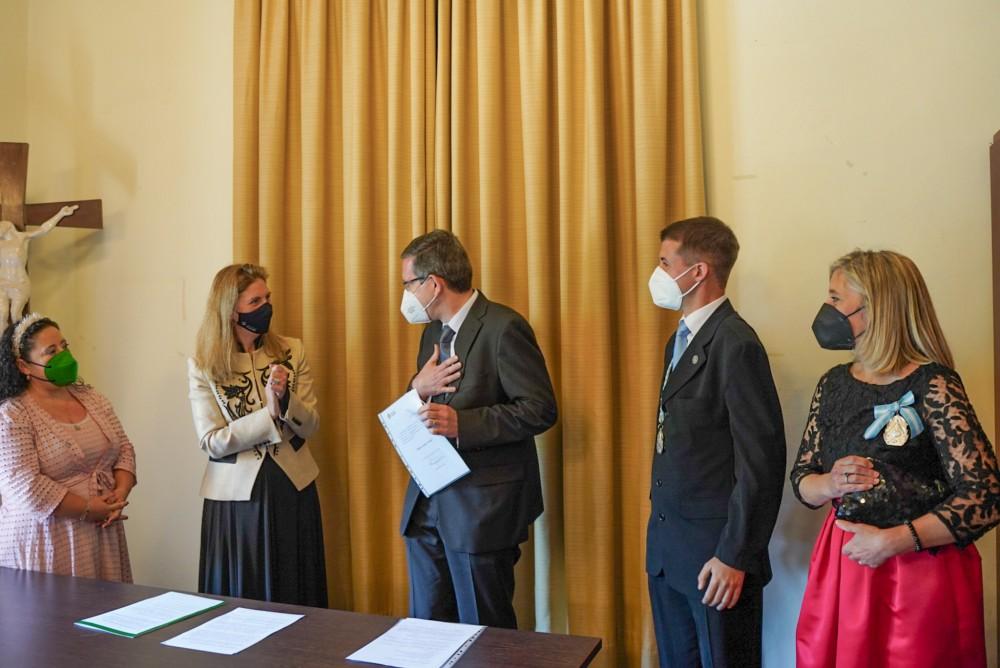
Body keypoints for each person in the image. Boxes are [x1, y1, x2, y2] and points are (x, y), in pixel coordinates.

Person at [791, 250, 1000, 667]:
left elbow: (985, 496)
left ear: (875, 308)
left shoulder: (933, 384)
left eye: (836, 298)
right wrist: (829, 483)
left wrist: (895, 541)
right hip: (844, 566)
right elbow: (803, 479)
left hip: (916, 570)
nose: (826, 308)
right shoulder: (832, 383)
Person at [397, 230, 557, 629]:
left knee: (484, 633)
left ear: (434, 284)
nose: (406, 295)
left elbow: (539, 409)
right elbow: (423, 405)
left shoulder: (504, 327)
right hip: (427, 505)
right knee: (429, 627)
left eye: (408, 284)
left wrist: (463, 425)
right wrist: (417, 388)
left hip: (482, 510)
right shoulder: (431, 333)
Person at [645, 216, 785, 668]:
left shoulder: (736, 344)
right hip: (669, 553)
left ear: (698, 271)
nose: (658, 273)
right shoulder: (680, 340)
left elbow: (760, 464)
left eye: (665, 263)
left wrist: (734, 555)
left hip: (715, 559)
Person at [187, 263, 326, 607]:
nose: (266, 307)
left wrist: (286, 400)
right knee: (245, 600)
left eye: (267, 298)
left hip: (292, 487)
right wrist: (268, 416)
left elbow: (311, 425)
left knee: (295, 589)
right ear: (230, 311)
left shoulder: (291, 351)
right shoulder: (203, 364)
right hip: (235, 500)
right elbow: (211, 441)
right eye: (255, 302)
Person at [0, 312, 134, 581]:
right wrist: (87, 508)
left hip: (102, 530)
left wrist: (118, 496)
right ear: (24, 366)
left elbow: (124, 450)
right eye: (51, 351)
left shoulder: (91, 398)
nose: (64, 355)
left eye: (64, 346)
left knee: (105, 605)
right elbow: (24, 485)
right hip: (46, 539)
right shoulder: (12, 414)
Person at [0, 204, 79, 330]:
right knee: (1, 315)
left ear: (7, 226)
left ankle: (19, 340)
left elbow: (43, 229)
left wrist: (61, 214)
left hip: (19, 282)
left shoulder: (22, 238)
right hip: (3, 284)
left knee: (16, 315)